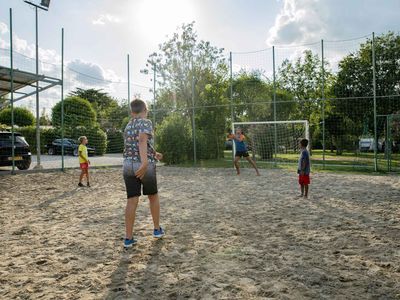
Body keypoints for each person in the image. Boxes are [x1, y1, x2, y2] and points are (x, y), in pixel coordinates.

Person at [123, 99, 164, 248]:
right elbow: (141, 140)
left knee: (132, 200)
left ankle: (128, 238)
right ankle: (157, 229)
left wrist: (154, 152)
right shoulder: (146, 122)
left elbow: (139, 143)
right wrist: (145, 162)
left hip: (128, 165)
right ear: (145, 110)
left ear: (132, 112)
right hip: (143, 165)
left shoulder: (128, 126)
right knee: (153, 196)